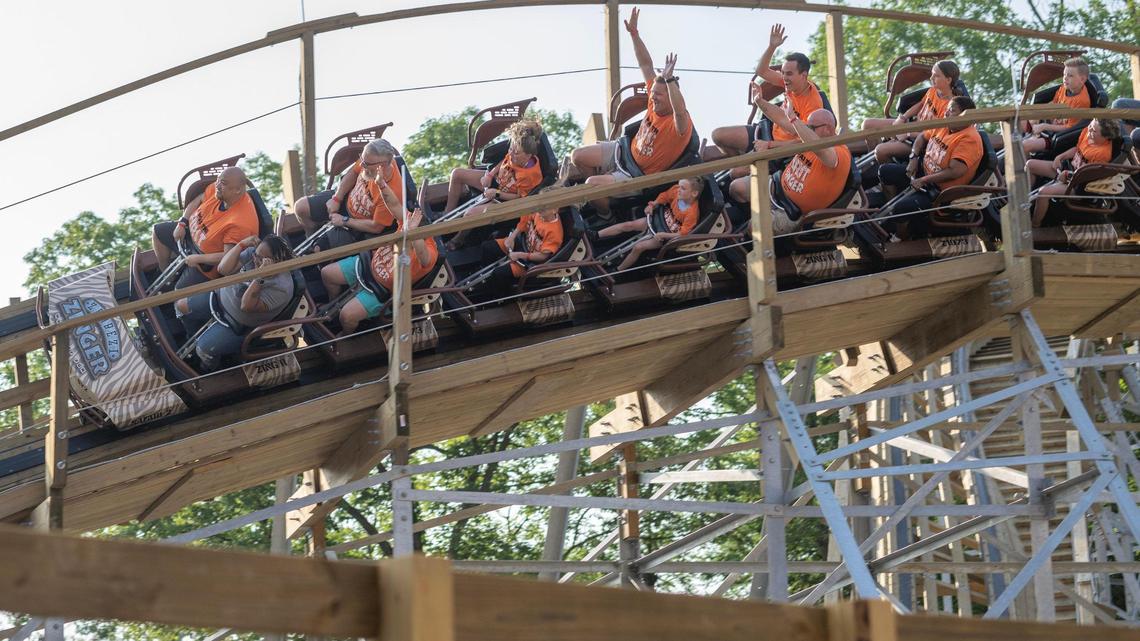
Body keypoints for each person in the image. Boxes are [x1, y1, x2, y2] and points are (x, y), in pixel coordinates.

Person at [564, 7, 693, 214]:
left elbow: (680, 110)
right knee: (577, 156)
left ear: (671, 95)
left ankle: (606, 214)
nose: (652, 97)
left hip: (636, 175)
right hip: (622, 151)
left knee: (590, 183)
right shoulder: (654, 100)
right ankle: (604, 196)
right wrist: (634, 34)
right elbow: (645, 64)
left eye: (659, 94)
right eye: (653, 93)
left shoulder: (680, 123)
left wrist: (669, 79)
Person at [728, 98, 852, 235]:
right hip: (776, 186)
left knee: (755, 226)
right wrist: (760, 101)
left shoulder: (839, 152)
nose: (806, 130)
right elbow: (781, 119)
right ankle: (753, 218)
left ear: (828, 129)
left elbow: (822, 151)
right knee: (736, 188)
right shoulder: (807, 139)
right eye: (806, 126)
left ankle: (754, 238)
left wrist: (794, 119)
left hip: (792, 212)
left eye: (811, 128)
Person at [174, 234, 296, 372]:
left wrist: (260, 276)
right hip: (220, 297)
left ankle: (208, 370)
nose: (255, 259)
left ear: (277, 261)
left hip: (238, 325)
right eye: (256, 254)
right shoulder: (254, 254)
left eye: (262, 259)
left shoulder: (282, 288)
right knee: (180, 306)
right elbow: (223, 269)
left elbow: (246, 306)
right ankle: (192, 335)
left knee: (203, 349)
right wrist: (241, 245)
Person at [705, 24, 827, 161]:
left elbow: (803, 142)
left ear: (803, 75)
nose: (784, 78)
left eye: (789, 74)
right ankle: (743, 158)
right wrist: (772, 46)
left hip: (782, 149)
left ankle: (747, 165)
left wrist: (769, 145)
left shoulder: (813, 104)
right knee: (718, 135)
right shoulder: (789, 83)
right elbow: (761, 71)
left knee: (736, 175)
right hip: (766, 131)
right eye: (783, 73)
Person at [876, 96, 984, 239]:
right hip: (922, 172)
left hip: (937, 191)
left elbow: (955, 171)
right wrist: (913, 157)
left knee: (900, 209)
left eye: (951, 110)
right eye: (947, 109)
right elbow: (921, 137)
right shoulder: (944, 124)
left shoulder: (970, 139)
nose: (946, 113)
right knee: (885, 171)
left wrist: (924, 180)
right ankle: (893, 213)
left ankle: (901, 236)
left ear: (965, 115)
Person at [319, 209, 438, 336]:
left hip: (382, 291)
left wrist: (413, 233)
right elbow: (393, 204)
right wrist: (382, 188)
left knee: (347, 316)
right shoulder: (407, 222)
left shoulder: (429, 252)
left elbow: (422, 254)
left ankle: (346, 334)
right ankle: (333, 301)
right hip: (367, 265)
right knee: (327, 273)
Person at [152, 166, 260, 289]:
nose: (217, 185)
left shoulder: (241, 222)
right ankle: (166, 274)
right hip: (188, 235)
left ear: (238, 190)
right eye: (218, 180)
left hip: (205, 264)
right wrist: (182, 223)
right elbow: (198, 199)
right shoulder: (219, 190)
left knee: (179, 291)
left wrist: (198, 258)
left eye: (223, 183)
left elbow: (227, 256)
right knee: (158, 231)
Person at [444, 120, 546, 250]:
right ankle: (447, 213)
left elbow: (520, 198)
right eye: (512, 149)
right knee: (457, 174)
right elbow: (504, 160)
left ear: (529, 155)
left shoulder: (530, 175)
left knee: (470, 214)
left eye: (516, 153)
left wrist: (497, 193)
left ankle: (457, 240)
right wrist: (490, 175)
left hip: (503, 200)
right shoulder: (515, 152)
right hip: (496, 182)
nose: (512, 154)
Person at [292, 139, 405, 249]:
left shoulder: (392, 192)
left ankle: (317, 246)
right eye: (362, 159)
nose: (362, 164)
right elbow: (353, 172)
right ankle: (312, 235)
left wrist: (345, 220)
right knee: (300, 207)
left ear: (382, 165)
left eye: (366, 164)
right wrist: (337, 198)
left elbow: (376, 227)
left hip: (358, 225)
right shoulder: (368, 160)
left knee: (317, 250)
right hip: (346, 199)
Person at [587, 176, 704, 272]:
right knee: (628, 225)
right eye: (679, 185)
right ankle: (596, 235)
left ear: (693, 193)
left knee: (639, 247)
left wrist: (664, 235)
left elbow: (683, 234)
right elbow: (664, 197)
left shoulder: (692, 213)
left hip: (665, 235)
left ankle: (618, 270)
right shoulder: (675, 191)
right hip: (657, 219)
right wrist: (653, 205)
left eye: (683, 188)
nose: (678, 189)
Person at [1025, 118, 1120, 226]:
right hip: (1068, 169)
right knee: (1029, 165)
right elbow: (1077, 149)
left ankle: (1035, 224)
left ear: (1105, 137)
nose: (1089, 130)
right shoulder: (1087, 133)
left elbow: (1086, 177)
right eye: (1090, 126)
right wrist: (1060, 157)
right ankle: (1028, 198)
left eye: (1093, 130)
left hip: (1077, 185)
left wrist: (1066, 175)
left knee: (1044, 193)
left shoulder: (1102, 154)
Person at [866, 60, 963, 164]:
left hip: (919, 141)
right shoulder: (933, 90)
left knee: (880, 150)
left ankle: (891, 170)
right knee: (867, 124)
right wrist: (902, 118)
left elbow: (933, 136)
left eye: (936, 76)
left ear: (948, 80)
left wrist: (907, 134)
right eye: (932, 74)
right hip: (911, 126)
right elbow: (920, 104)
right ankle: (874, 164)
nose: (931, 78)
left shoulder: (950, 108)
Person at [475, 189, 566, 298]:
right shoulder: (538, 211)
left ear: (555, 210)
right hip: (521, 242)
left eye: (545, 206)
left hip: (528, 261)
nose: (540, 208)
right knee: (487, 247)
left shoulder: (554, 232)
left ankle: (499, 297)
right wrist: (512, 237)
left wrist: (519, 255)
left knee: (499, 273)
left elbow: (543, 256)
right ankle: (483, 275)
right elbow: (524, 222)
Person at [1022, 58, 1092, 155]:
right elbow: (1053, 104)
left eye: (1070, 76)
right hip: (1047, 123)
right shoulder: (1064, 88)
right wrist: (1037, 117)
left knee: (1025, 145)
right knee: (1015, 120)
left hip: (1055, 136)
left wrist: (1044, 126)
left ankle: (1023, 166)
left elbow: (1069, 128)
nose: (1065, 78)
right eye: (1064, 75)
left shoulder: (1081, 102)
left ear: (1082, 79)